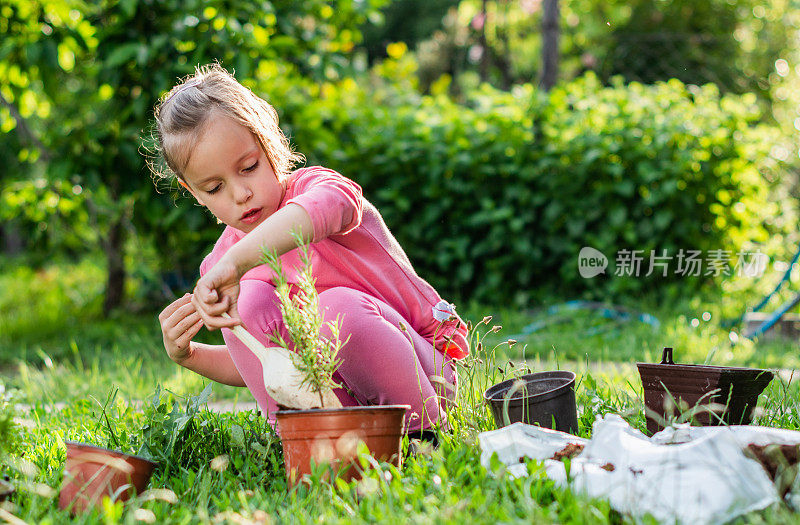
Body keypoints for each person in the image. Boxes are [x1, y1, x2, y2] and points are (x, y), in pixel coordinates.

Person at [150, 63, 468, 434]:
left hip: (427, 377)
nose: (240, 194)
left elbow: (333, 206)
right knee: (249, 300)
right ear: (194, 193)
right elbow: (262, 362)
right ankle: (311, 437)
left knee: (337, 309)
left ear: (270, 144)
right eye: (214, 188)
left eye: (249, 167)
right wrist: (190, 355)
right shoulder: (221, 266)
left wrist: (237, 263)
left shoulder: (314, 190)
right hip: (341, 402)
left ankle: (422, 436)